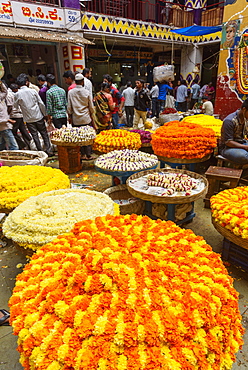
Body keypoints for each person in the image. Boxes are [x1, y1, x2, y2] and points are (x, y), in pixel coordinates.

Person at [14, 74, 53, 156]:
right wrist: (45, 114)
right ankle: (49, 151)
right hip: (38, 116)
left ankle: (40, 152)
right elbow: (41, 104)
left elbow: (16, 106)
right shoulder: (33, 91)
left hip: (28, 119)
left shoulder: (17, 94)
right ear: (26, 82)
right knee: (44, 134)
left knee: (35, 136)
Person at [67, 73, 96, 160]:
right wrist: (92, 114)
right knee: (87, 137)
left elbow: (69, 107)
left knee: (78, 137)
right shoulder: (86, 92)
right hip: (86, 118)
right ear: (83, 81)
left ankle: (81, 154)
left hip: (76, 119)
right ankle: (88, 154)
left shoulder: (70, 92)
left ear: (75, 82)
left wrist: (70, 116)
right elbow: (91, 106)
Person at [219, 99, 248, 164]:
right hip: (227, 148)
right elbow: (228, 142)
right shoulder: (229, 121)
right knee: (243, 156)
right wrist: (245, 147)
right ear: (244, 109)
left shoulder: (246, 119)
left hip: (242, 143)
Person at [6, 83, 32, 149]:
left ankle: (23, 145)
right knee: (23, 131)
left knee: (13, 132)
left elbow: (10, 107)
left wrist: (7, 115)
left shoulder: (8, 94)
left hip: (14, 115)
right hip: (19, 114)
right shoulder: (15, 93)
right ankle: (31, 143)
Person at [0, 80, 18, 151]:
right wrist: (7, 120)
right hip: (4, 126)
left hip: (4, 126)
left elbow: (5, 92)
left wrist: (0, 82)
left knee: (2, 147)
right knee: (14, 147)